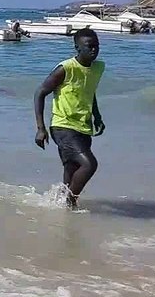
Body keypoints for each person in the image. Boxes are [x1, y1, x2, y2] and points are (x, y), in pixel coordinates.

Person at [33, 28, 106, 209]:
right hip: (62, 126)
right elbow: (40, 93)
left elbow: (89, 91)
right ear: (77, 48)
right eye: (89, 46)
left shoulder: (98, 68)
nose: (94, 50)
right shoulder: (65, 69)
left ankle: (61, 209)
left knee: (72, 168)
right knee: (89, 164)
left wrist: (97, 116)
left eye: (96, 46)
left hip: (83, 126)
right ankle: (70, 202)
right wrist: (40, 128)